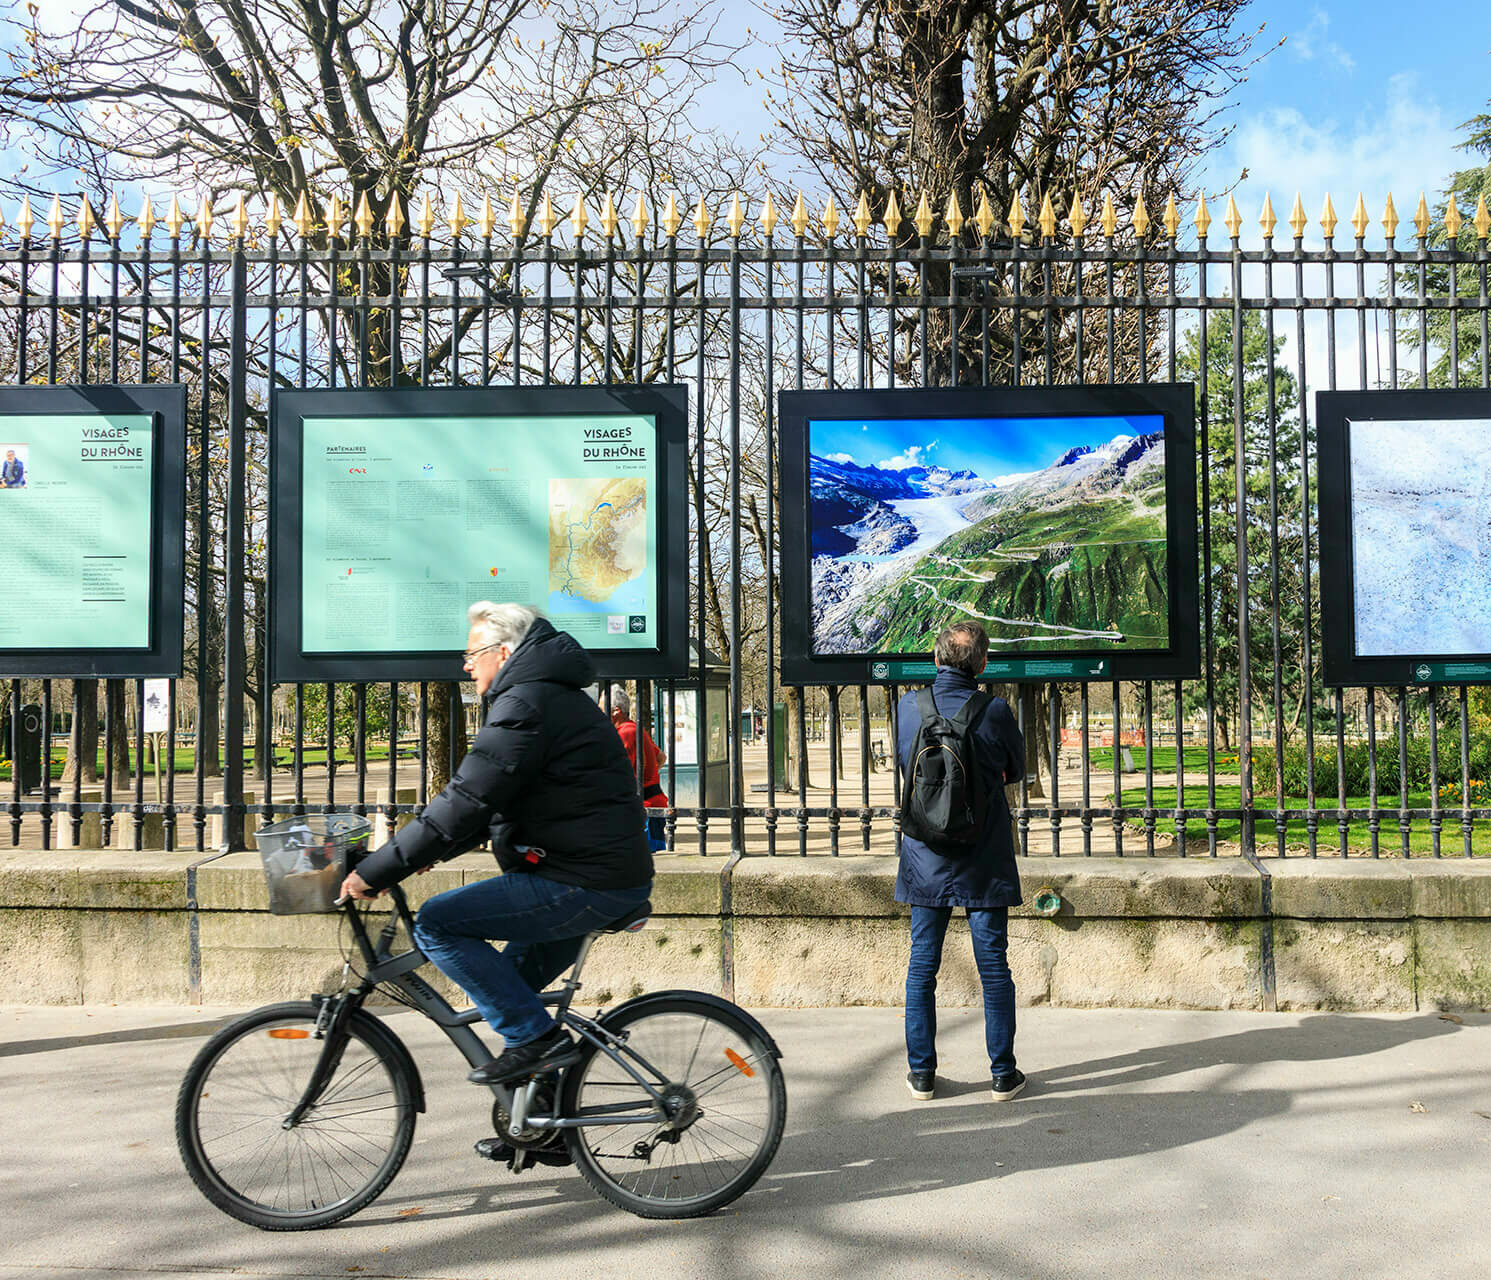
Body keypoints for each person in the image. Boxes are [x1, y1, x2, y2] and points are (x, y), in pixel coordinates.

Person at [340, 602, 654, 1090]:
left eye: (473, 653)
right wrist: (429, 853)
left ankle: (539, 1042)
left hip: (583, 881)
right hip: (593, 873)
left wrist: (378, 871)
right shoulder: (542, 698)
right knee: (509, 993)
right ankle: (540, 1126)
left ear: (503, 652)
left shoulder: (527, 703)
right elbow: (497, 799)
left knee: (440, 924)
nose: (466, 664)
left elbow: (467, 797)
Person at [895, 620, 1027, 1103]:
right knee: (993, 966)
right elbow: (1015, 770)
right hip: (983, 857)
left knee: (922, 966)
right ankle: (1002, 1074)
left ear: (935, 659)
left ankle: (922, 1075)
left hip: (924, 855)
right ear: (983, 664)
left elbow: (904, 765)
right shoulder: (994, 711)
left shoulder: (908, 708)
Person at [608, 684, 669, 852]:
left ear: (616, 711)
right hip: (654, 803)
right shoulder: (636, 729)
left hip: (643, 809)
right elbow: (661, 757)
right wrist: (648, 777)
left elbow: (619, 774)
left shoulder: (624, 733)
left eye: (601, 707)